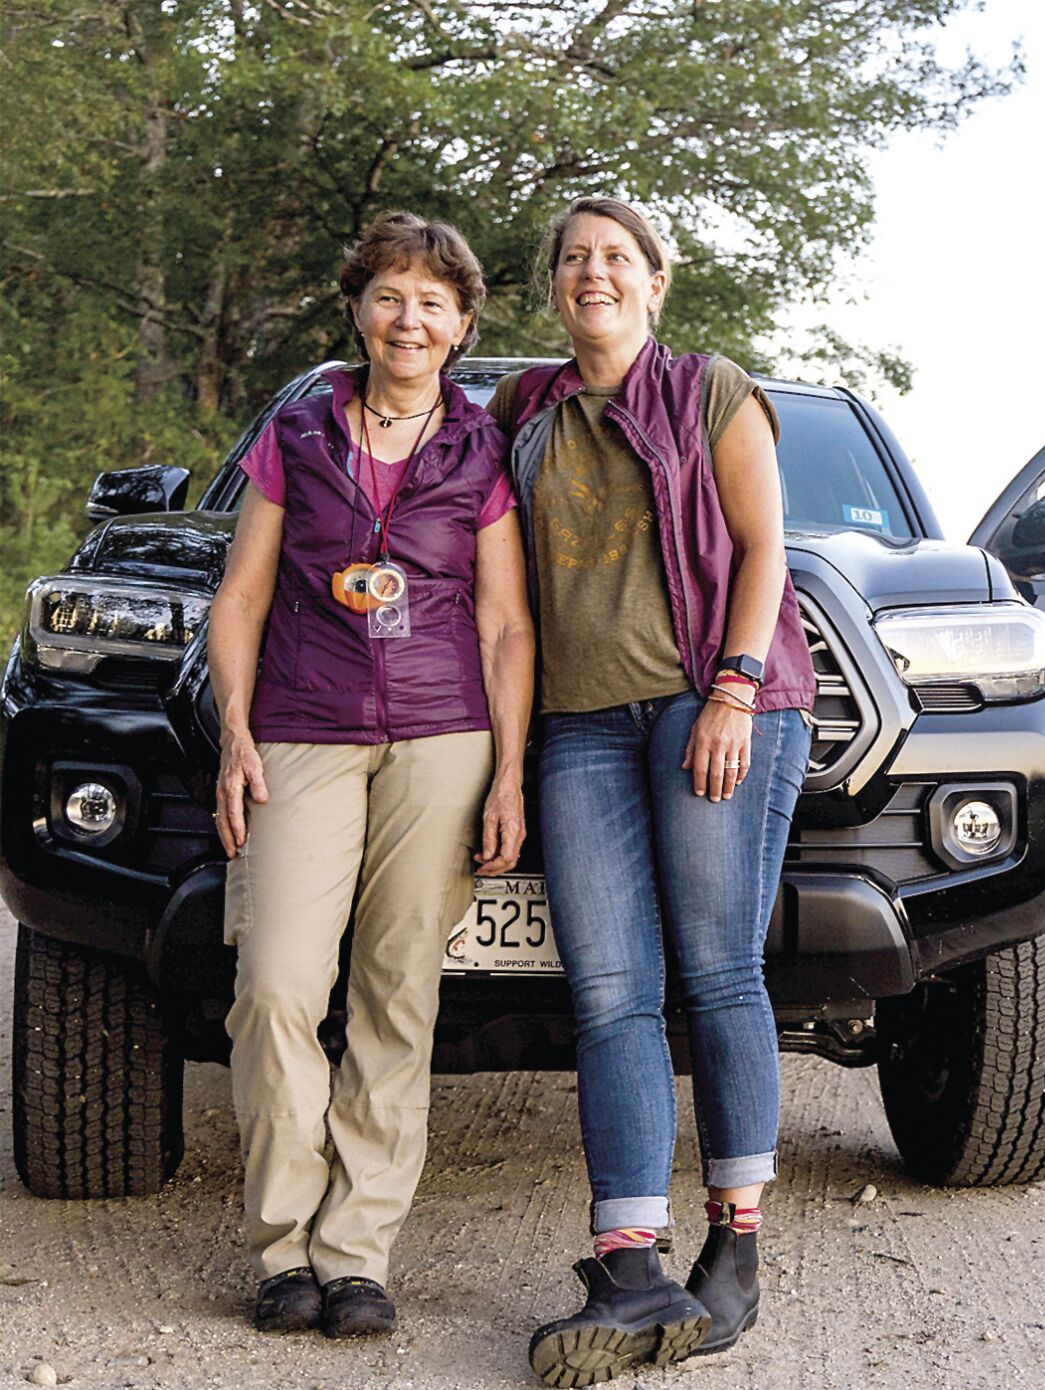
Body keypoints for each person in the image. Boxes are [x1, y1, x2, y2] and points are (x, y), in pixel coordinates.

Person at [486, 197, 815, 1386]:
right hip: (578, 727)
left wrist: (732, 690)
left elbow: (765, 546)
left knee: (718, 968)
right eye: (573, 256)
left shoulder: (709, 389)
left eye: (615, 256)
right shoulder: (520, 409)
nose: (593, 272)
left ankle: (736, 1247)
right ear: (553, 287)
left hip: (706, 705)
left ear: (655, 282)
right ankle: (631, 1264)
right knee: (611, 991)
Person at [208, 211, 534, 1338]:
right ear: (358, 306)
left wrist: (507, 774)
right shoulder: (295, 435)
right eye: (391, 295)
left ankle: (355, 1255)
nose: (410, 318)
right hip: (302, 725)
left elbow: (502, 625)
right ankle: (282, 1243)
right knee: (279, 989)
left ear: (460, 325)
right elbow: (242, 595)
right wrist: (236, 732)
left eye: (433, 302)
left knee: (398, 993)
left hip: (444, 734)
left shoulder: (482, 448)